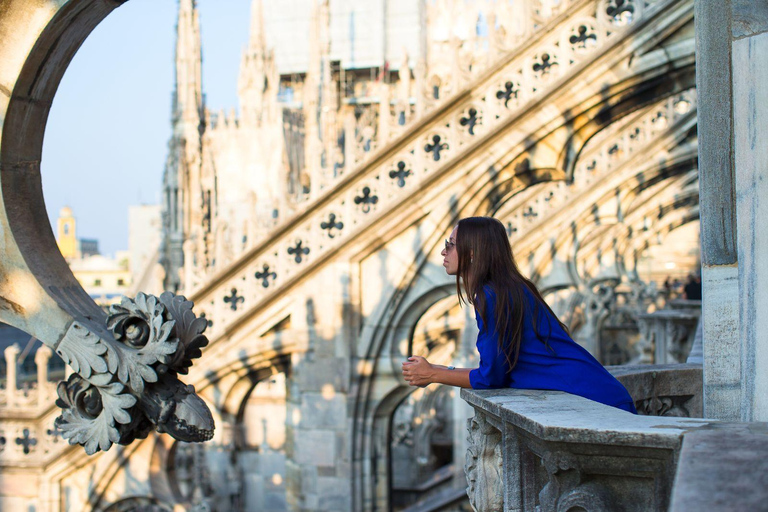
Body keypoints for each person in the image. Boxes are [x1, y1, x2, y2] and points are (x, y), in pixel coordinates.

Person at [401, 216, 636, 413]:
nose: (444, 251)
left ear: (472, 253)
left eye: (451, 244)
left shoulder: (491, 296)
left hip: (595, 403)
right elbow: (496, 370)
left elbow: (491, 378)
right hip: (598, 394)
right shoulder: (507, 288)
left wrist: (432, 373)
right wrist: (436, 370)